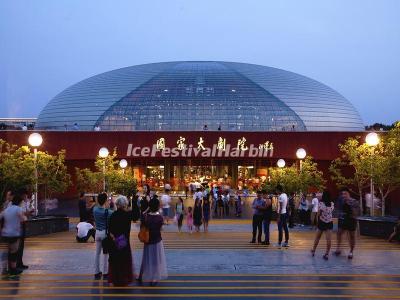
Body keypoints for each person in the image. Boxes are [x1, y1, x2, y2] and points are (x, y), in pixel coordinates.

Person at [137, 197, 168, 286]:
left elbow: (141, 226)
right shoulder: (159, 218)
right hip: (157, 241)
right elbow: (161, 229)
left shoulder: (145, 216)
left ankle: (141, 276)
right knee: (156, 260)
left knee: (145, 258)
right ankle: (154, 278)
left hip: (147, 241)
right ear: (158, 207)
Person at [108, 196, 134, 286]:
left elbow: (110, 230)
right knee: (124, 261)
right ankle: (124, 279)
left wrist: (114, 238)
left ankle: (115, 279)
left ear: (117, 204)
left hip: (115, 241)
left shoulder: (113, 215)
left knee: (115, 261)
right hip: (124, 241)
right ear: (124, 205)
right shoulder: (127, 215)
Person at [0, 192, 27, 275]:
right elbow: (23, 219)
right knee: (14, 251)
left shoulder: (6, 209)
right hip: (14, 233)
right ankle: (13, 269)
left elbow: (1, 216)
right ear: (19, 202)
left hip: (5, 233)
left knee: (7, 251)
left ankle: (5, 268)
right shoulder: (18, 209)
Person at [334, 187, 360, 259]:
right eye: (342, 194)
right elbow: (336, 211)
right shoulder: (340, 201)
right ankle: (338, 248)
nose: (344, 195)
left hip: (351, 220)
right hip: (343, 220)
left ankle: (351, 252)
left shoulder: (354, 201)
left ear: (349, 194)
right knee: (339, 233)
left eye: (345, 193)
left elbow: (357, 213)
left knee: (352, 236)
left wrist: (350, 206)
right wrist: (335, 224)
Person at [93, 192, 113, 280]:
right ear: (105, 201)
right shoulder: (108, 212)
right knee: (105, 254)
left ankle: (96, 272)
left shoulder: (94, 209)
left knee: (97, 253)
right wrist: (109, 206)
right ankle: (105, 273)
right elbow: (114, 213)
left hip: (97, 232)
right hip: (105, 234)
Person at [311, 191, 334, 260]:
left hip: (322, 222)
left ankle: (313, 251)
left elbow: (319, 213)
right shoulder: (332, 204)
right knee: (328, 239)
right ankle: (327, 254)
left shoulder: (321, 204)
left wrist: (318, 221)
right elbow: (331, 211)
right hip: (329, 222)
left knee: (317, 237)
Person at [17, 188, 33, 270]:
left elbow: (27, 212)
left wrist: (28, 204)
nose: (26, 196)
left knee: (21, 245)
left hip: (23, 224)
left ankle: (20, 262)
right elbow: (22, 213)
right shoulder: (19, 203)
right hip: (18, 225)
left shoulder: (25, 202)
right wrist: (28, 212)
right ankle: (17, 263)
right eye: (25, 195)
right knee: (18, 245)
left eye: (26, 195)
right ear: (22, 195)